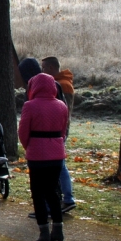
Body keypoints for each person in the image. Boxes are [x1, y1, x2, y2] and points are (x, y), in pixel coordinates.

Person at [19, 57, 76, 218]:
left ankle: (48, 209)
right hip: (57, 135)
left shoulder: (35, 93)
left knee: (42, 180)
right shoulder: (55, 86)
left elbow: (24, 127)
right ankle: (61, 203)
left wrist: (28, 144)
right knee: (57, 169)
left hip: (42, 139)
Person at [19, 72, 69, 241]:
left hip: (37, 154)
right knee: (53, 192)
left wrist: (29, 147)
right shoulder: (62, 106)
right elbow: (63, 131)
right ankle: (58, 230)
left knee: (38, 193)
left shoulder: (30, 106)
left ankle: (44, 233)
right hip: (56, 153)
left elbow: (23, 132)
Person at [42, 56, 76, 213]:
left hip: (58, 131)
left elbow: (64, 111)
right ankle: (63, 197)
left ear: (50, 68)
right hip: (58, 130)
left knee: (59, 166)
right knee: (59, 165)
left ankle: (66, 198)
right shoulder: (59, 83)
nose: (42, 72)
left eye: (43, 68)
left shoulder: (63, 85)